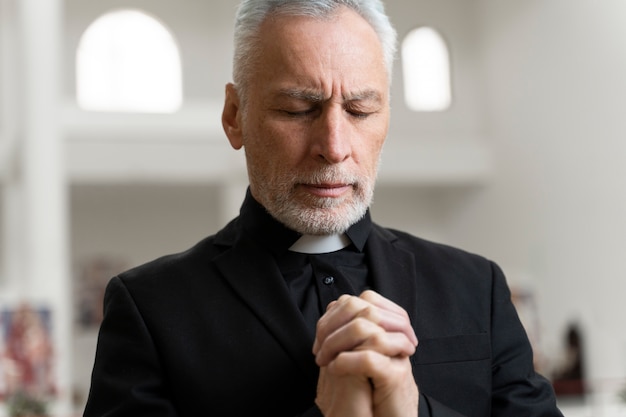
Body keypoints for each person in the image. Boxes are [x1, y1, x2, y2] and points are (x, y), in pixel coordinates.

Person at [83, 1, 563, 416]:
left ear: (387, 116)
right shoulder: (151, 308)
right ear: (234, 118)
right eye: (297, 110)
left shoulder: (477, 288)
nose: (334, 147)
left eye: (359, 110)